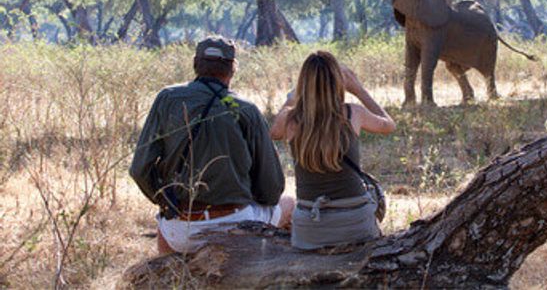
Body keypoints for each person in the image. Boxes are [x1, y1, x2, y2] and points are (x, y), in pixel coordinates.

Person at [130, 35, 294, 254]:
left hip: (181, 230)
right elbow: (271, 190)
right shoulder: (246, 109)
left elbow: (139, 169)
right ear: (232, 69)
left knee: (164, 226)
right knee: (289, 203)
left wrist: (168, 204)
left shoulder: (167, 98)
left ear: (195, 64)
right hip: (238, 225)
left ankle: (173, 275)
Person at [270, 51, 395, 249]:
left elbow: (273, 133)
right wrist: (360, 90)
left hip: (311, 226)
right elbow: (389, 125)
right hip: (356, 224)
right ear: (338, 82)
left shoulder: (290, 118)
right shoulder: (353, 113)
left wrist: (292, 98)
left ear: (303, 83)